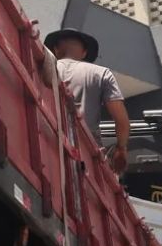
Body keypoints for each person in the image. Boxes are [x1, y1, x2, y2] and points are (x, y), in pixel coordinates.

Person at [44, 28, 130, 174]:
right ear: (84, 53)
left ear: (57, 50)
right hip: (89, 156)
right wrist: (121, 149)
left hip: (48, 146)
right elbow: (121, 121)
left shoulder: (45, 70)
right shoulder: (101, 73)